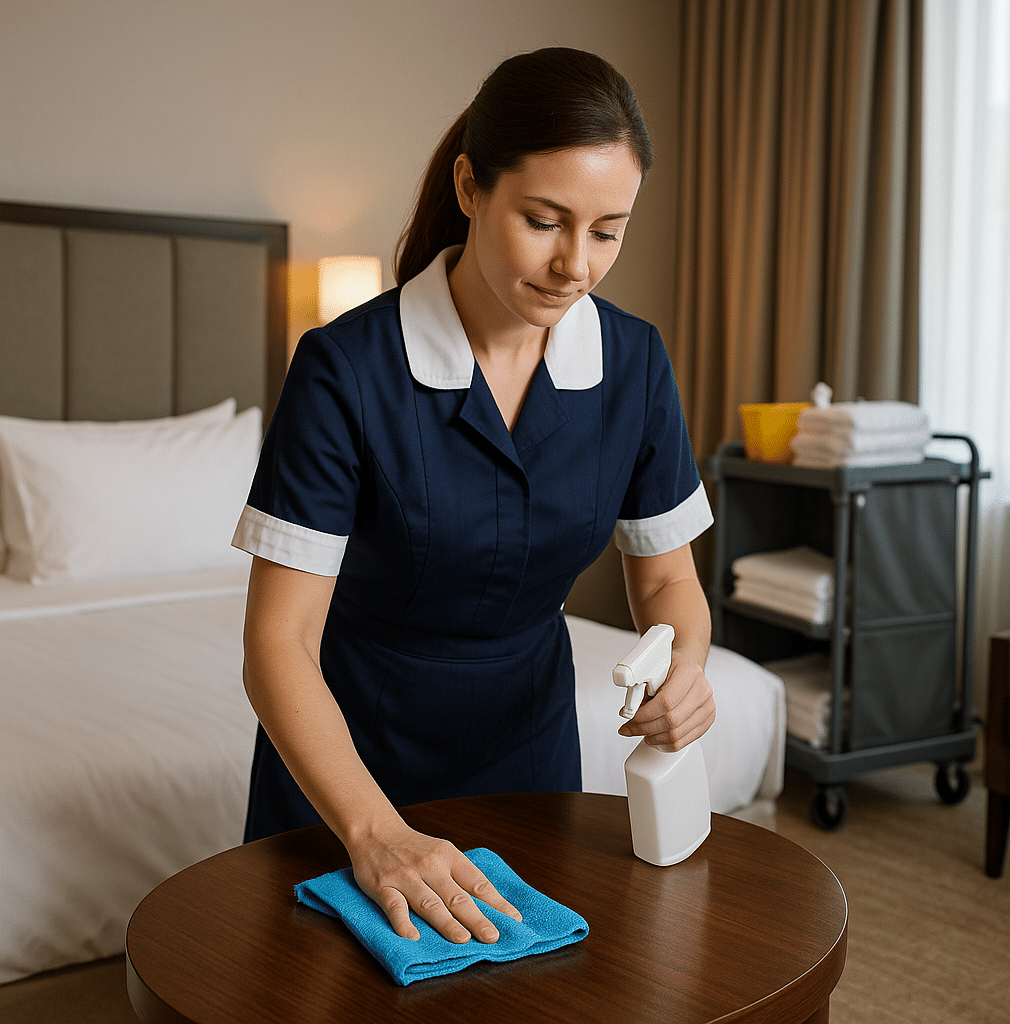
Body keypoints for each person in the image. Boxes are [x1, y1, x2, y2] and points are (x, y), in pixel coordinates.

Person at [232, 46, 715, 949]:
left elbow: (668, 586)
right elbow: (276, 642)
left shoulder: (635, 364)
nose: (576, 264)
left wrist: (685, 666)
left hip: (529, 756)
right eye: (544, 220)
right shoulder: (346, 371)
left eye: (608, 231)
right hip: (348, 769)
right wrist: (375, 836)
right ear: (469, 186)